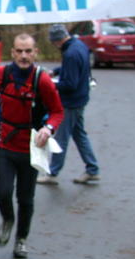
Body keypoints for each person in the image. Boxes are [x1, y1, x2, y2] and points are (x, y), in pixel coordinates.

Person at [0, 33, 64, 258]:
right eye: (19, 51)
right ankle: (8, 219)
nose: (24, 56)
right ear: (13, 53)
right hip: (5, 143)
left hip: (31, 147)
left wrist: (48, 128)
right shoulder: (1, 74)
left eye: (28, 51)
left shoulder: (42, 80)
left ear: (35, 52)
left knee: (25, 198)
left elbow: (57, 111)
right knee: (3, 192)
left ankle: (21, 239)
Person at [37, 23, 100, 185]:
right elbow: (73, 68)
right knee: (79, 135)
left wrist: (50, 83)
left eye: (53, 42)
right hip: (81, 98)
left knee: (61, 138)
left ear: (57, 40)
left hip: (71, 102)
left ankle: (52, 173)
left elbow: (70, 84)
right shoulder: (78, 45)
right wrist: (56, 71)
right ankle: (92, 169)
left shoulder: (70, 53)